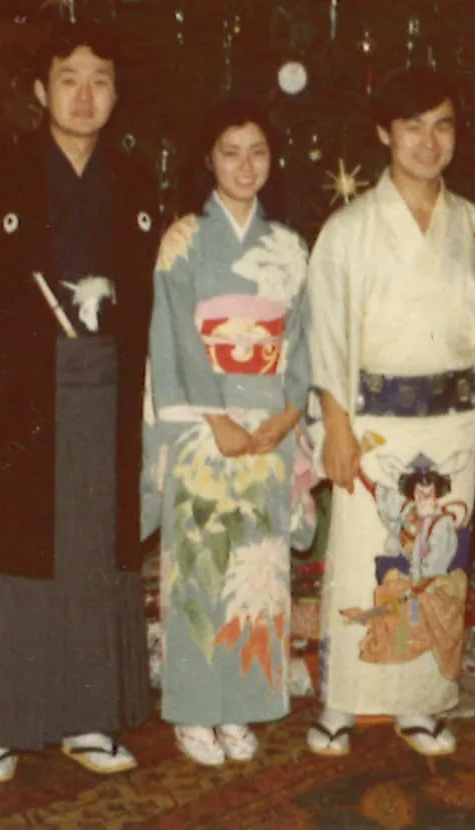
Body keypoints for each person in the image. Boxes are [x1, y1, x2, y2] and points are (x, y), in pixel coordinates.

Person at [0, 24, 158, 782]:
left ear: (116, 95)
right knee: (14, 550)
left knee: (94, 552)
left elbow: (147, 300)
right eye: (69, 78)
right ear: (41, 90)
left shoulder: (133, 183)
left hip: (106, 387)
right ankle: (1, 727)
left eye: (100, 80)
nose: (84, 95)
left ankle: (89, 719)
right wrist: (12, 360)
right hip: (22, 393)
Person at [305, 67, 475, 758]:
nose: (429, 142)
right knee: (360, 560)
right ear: (384, 133)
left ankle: (423, 702)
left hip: (452, 424)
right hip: (373, 424)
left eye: (442, 125)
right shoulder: (348, 230)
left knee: (438, 564)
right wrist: (336, 425)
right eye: (412, 126)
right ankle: (342, 701)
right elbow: (326, 332)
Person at [142, 97, 316, 766]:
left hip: (269, 424)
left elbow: (303, 338)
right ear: (208, 159)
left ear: (273, 160)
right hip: (202, 427)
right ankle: (193, 708)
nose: (245, 166)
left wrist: (290, 413)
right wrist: (215, 419)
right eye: (230, 152)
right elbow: (176, 334)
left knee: (257, 572)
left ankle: (241, 704)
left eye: (258, 152)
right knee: (198, 567)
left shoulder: (290, 246)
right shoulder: (184, 238)